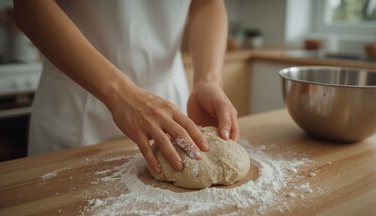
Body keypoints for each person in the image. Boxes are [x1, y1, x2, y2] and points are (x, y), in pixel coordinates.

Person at [13, 0, 239, 173]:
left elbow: (207, 3)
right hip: (77, 102)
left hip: (170, 103)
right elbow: (29, 7)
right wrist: (121, 94)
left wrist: (207, 79)